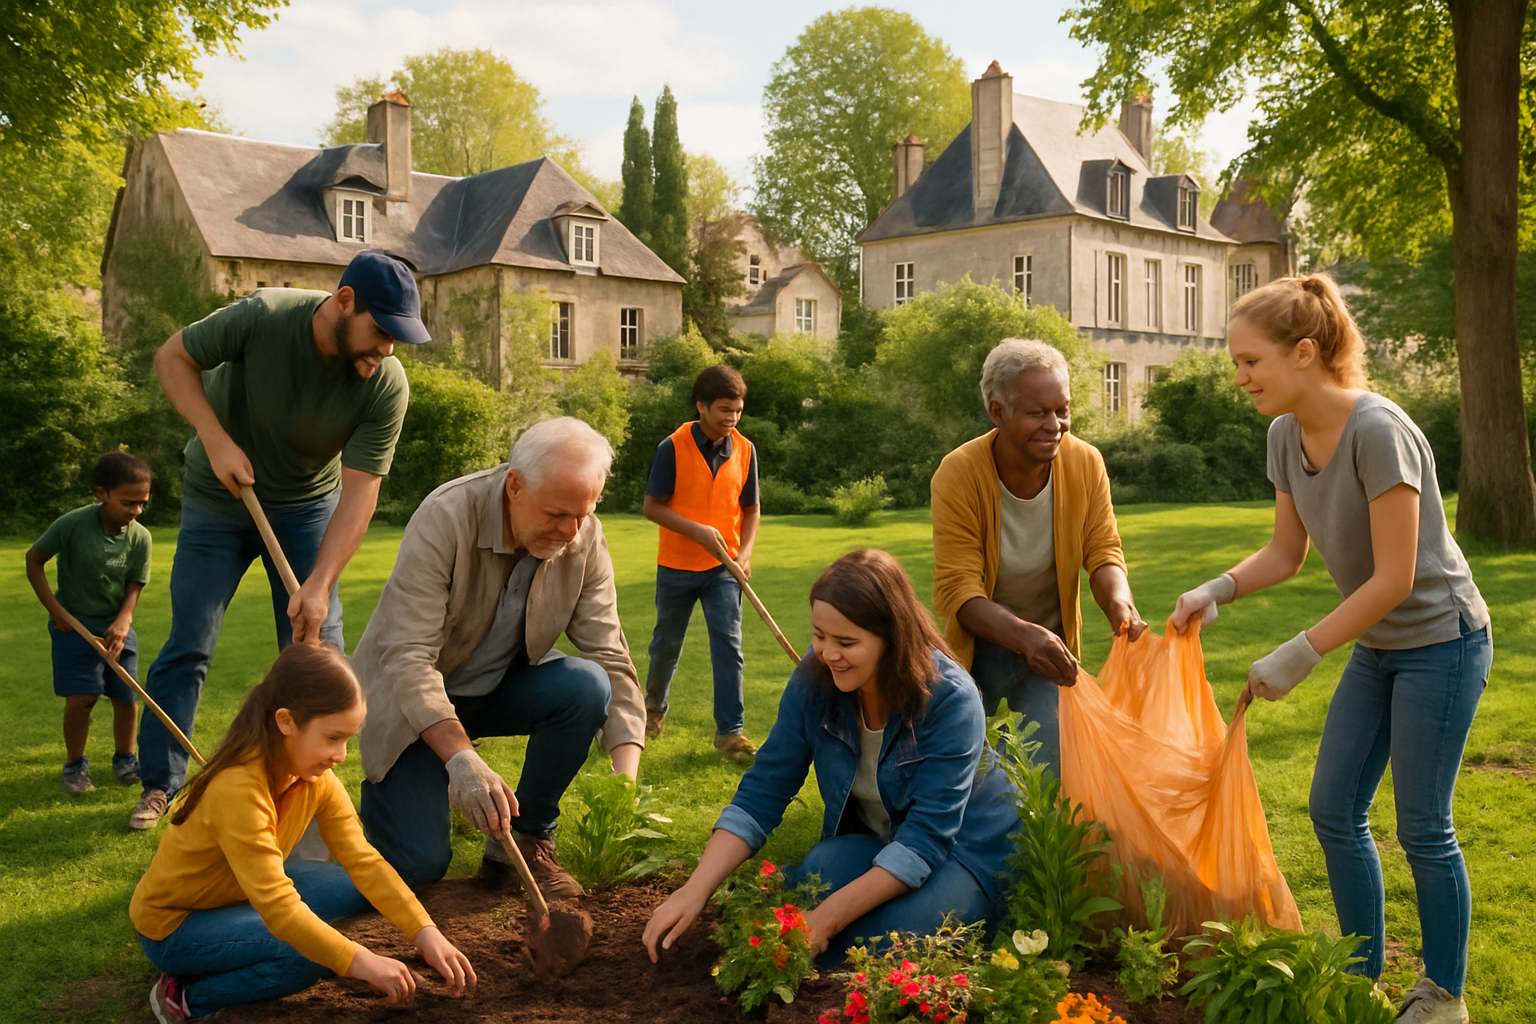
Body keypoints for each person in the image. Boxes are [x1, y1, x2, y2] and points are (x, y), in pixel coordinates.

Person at [1170, 274, 1490, 1024]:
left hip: (1443, 644)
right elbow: (1287, 553)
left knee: (1423, 827)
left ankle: (1444, 996)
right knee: (1333, 807)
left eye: (1251, 361)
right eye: (1236, 363)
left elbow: (1395, 578)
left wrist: (1301, 651)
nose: (1240, 378)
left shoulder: (1379, 431)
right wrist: (1217, 588)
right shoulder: (1285, 435)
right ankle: (1358, 976)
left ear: (1305, 353)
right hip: (1380, 646)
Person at [130, 250, 426, 832]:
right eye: (380, 331)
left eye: (398, 337)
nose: (388, 349)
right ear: (344, 301)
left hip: (306, 508)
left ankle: (311, 792)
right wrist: (214, 438)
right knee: (190, 642)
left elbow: (361, 490)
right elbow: (173, 357)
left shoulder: (385, 385)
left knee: (317, 646)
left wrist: (320, 583)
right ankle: (161, 782)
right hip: (217, 498)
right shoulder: (264, 316)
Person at [643, 549, 1017, 968]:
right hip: (887, 843)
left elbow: (926, 839)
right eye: (819, 635)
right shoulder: (815, 679)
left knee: (882, 944)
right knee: (820, 870)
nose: (827, 654)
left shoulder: (950, 699)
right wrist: (694, 890)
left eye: (846, 642)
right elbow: (762, 793)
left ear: (893, 639)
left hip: (969, 852)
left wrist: (823, 922)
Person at [354, 417, 644, 898]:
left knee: (587, 684)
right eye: (556, 514)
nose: (571, 531)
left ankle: (526, 839)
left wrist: (624, 785)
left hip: (500, 689)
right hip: (413, 705)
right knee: (417, 866)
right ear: (514, 486)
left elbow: (610, 655)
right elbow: (407, 658)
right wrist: (463, 761)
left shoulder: (582, 535)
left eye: (584, 513)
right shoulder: (446, 516)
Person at [130, 642, 475, 1024]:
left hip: (240, 894)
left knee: (353, 887)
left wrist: (425, 931)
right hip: (177, 925)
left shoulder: (313, 778)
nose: (341, 755)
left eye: (347, 739)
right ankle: (186, 998)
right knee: (305, 953)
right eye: (332, 738)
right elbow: (279, 907)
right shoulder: (238, 789)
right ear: (286, 722)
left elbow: (364, 861)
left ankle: (238, 947)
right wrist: (361, 961)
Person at [930, 338, 1146, 776]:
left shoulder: (1085, 463)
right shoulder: (959, 472)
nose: (1055, 425)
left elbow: (1103, 550)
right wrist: (1025, 636)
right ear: (997, 411)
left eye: (1062, 410)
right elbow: (959, 591)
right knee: (971, 775)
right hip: (983, 647)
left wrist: (1121, 605)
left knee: (1048, 776)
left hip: (1051, 651)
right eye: (1037, 413)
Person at [641, 364, 762, 763]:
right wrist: (697, 531)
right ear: (702, 406)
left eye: (738, 410)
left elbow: (751, 509)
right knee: (666, 646)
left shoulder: (745, 450)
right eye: (725, 409)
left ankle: (730, 733)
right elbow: (652, 507)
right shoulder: (672, 447)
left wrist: (744, 555)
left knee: (729, 646)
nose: (732, 418)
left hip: (723, 569)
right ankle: (652, 710)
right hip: (676, 566)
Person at [25, 451, 154, 793]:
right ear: (102, 493)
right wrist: (56, 611)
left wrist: (124, 620)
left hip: (116, 627)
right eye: (128, 502)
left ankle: (125, 760)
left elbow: (135, 583)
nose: (136, 510)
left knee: (127, 697)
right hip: (73, 627)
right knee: (83, 699)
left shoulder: (140, 537)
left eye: (142, 503)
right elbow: (34, 559)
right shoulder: (72, 525)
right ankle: (75, 767)